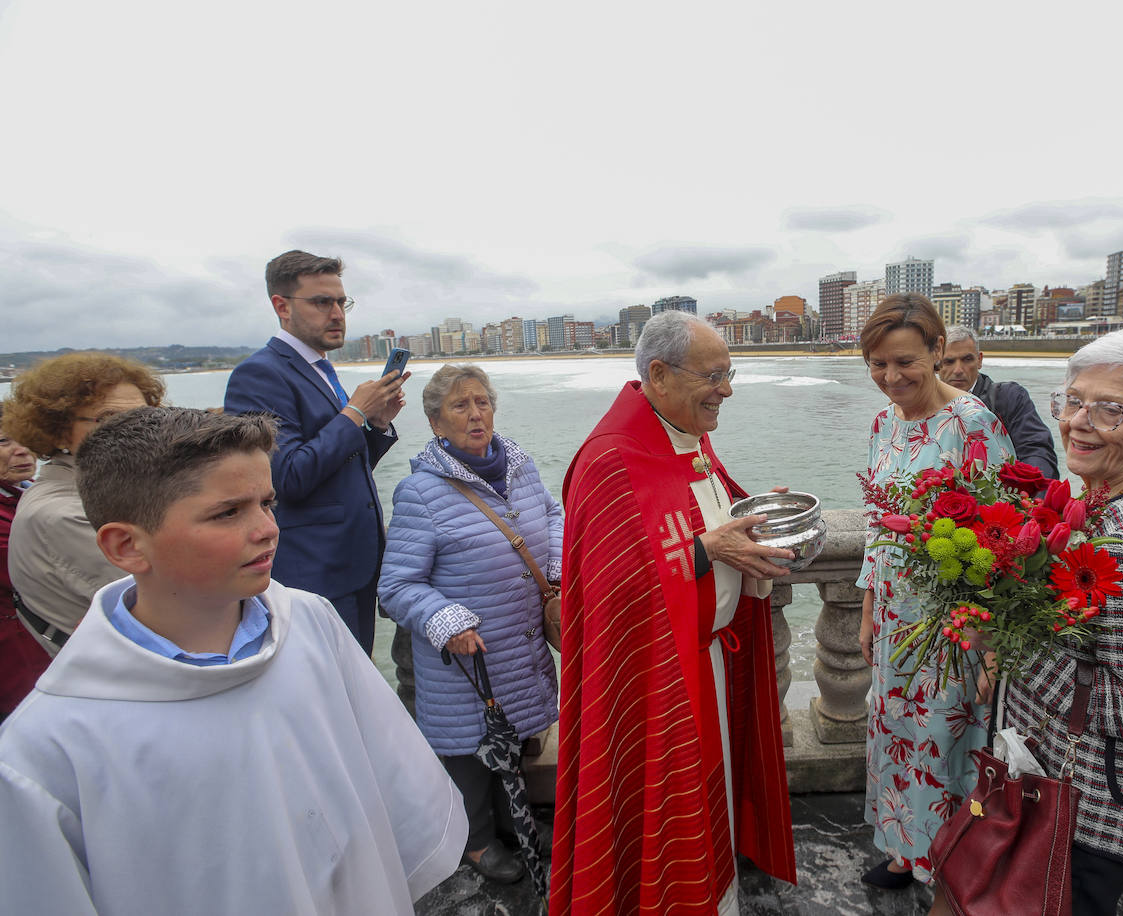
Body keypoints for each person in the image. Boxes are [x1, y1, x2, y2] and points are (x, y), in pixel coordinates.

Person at [0, 407, 467, 915]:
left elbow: (394, 781)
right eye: (228, 513)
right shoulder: (47, 748)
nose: (267, 529)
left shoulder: (309, 622)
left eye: (267, 503)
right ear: (127, 545)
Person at [551, 310, 796, 915]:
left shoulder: (688, 438)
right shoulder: (610, 460)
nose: (728, 390)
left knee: (713, 801)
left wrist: (752, 518)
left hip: (705, 660)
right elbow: (608, 589)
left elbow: (695, 520)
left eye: (729, 372)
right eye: (714, 376)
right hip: (655, 681)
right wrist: (707, 550)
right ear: (659, 374)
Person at [991, 328, 1123, 915]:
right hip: (1066, 783)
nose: (1078, 422)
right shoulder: (1108, 505)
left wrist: (1008, 644)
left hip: (1091, 807)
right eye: (1074, 400)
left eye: (1112, 409)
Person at [379, 365, 563, 885]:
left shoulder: (520, 467)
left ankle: (514, 822)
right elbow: (396, 586)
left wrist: (556, 561)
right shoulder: (420, 492)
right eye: (460, 406)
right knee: (470, 753)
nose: (475, 413)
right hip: (468, 658)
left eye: (482, 401)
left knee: (515, 740)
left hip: (521, 644)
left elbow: (553, 514)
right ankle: (476, 841)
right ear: (436, 422)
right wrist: (444, 617)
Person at [856, 298, 1016, 892]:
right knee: (896, 732)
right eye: (877, 365)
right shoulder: (883, 423)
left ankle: (949, 868)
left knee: (947, 741)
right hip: (897, 618)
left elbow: (1006, 539)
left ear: (935, 352)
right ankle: (906, 850)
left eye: (904, 362)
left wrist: (994, 648)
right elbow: (878, 523)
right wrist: (870, 609)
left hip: (955, 622)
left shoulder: (973, 425)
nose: (891, 378)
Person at [224, 250, 409, 655]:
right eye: (323, 302)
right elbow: (286, 477)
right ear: (282, 306)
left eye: (342, 302)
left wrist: (375, 425)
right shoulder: (259, 374)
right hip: (314, 575)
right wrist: (354, 412)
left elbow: (344, 469)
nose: (338, 313)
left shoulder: (319, 370)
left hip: (354, 567)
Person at [3, 353, 164, 655]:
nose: (137, 432)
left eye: (146, 419)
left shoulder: (105, 490)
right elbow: (168, 606)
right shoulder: (63, 515)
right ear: (59, 429)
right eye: (109, 420)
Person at [937, 324, 1059, 480]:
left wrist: (1034, 496)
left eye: (967, 360)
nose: (958, 369)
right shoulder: (922, 408)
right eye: (949, 362)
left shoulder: (1010, 398)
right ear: (937, 365)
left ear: (979, 360)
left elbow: (1035, 450)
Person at [0, 411, 49, 721]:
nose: (22, 450)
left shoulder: (28, 494)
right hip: (15, 657)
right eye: (4, 441)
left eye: (26, 438)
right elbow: (30, 573)